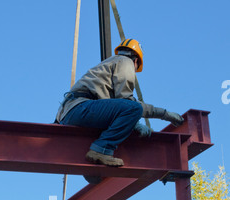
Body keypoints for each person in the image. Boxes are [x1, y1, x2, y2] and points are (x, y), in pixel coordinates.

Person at [56, 39, 184, 171]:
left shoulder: (110, 64)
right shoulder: (125, 61)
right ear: (135, 61)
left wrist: (136, 122)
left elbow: (117, 105)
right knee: (134, 108)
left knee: (122, 116)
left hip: (71, 113)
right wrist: (164, 114)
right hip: (80, 109)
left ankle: (94, 167)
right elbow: (126, 99)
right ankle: (102, 150)